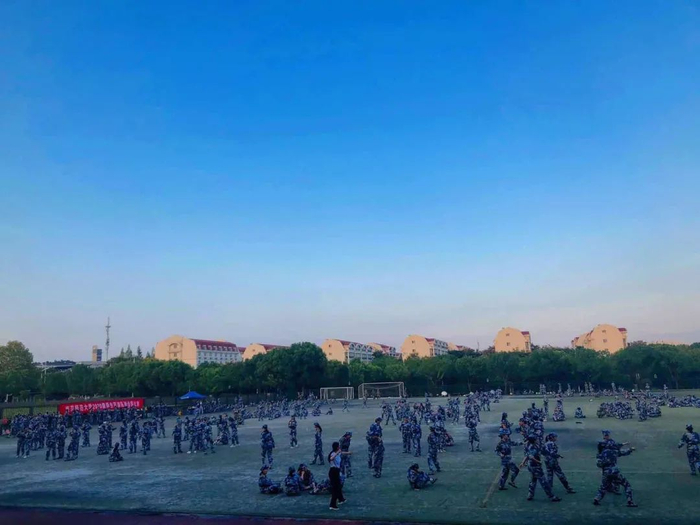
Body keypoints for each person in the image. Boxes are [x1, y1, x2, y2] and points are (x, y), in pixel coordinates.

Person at [520, 436, 561, 502]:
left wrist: (523, 462)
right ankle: (551, 496)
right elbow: (530, 456)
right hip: (535, 466)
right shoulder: (532, 447)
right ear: (534, 440)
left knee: (533, 480)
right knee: (543, 482)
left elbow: (527, 455)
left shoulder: (534, 446)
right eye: (536, 439)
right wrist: (538, 461)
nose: (538, 440)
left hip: (532, 466)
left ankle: (530, 495)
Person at [328, 441, 350, 510]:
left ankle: (341, 499)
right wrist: (337, 453)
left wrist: (348, 453)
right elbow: (331, 459)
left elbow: (342, 453)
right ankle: (332, 505)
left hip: (336, 471)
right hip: (333, 472)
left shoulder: (337, 453)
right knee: (335, 488)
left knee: (339, 486)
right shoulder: (333, 453)